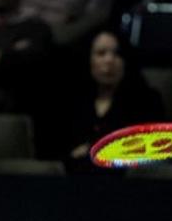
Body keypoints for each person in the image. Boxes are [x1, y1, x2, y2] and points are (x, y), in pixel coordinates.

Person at [66, 29, 163, 164]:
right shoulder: (71, 101)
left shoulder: (147, 100)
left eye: (117, 54)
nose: (109, 60)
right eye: (101, 53)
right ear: (88, 60)